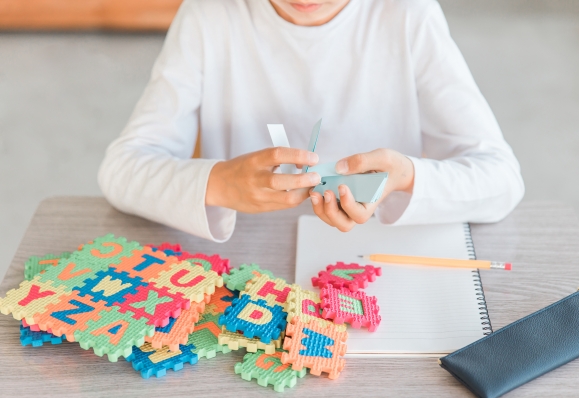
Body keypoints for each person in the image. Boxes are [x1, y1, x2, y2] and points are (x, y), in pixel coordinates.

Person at [98, 0, 525, 243]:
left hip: (379, 258)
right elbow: (120, 172)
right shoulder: (209, 14)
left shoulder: (408, 15)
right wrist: (221, 183)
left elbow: (501, 179)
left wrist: (406, 178)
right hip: (244, 268)